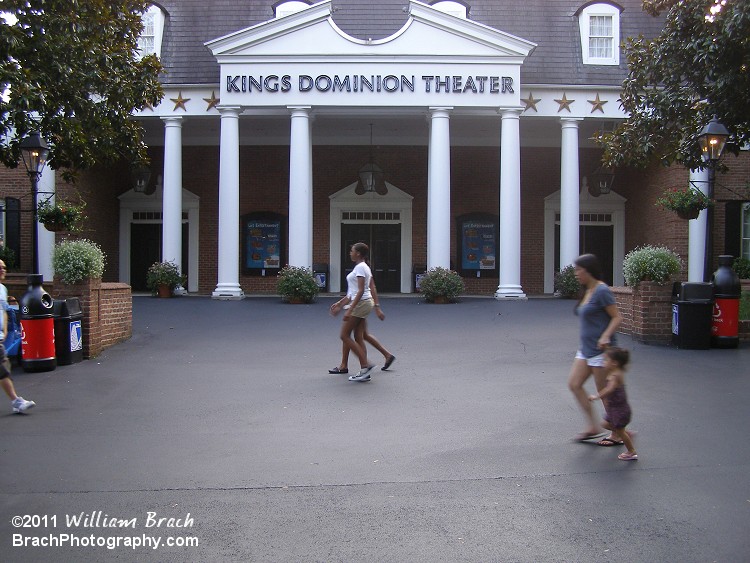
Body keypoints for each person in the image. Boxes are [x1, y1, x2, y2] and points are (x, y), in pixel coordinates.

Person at [568, 253, 621, 443]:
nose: (576, 274)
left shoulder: (601, 290)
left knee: (605, 393)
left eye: (579, 270)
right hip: (586, 349)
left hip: (602, 352)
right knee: (574, 384)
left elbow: (617, 317)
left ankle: (617, 433)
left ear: (588, 270)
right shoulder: (587, 291)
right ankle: (592, 426)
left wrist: (606, 336)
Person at [329, 242, 377, 382]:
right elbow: (352, 292)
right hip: (364, 302)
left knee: (344, 335)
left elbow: (361, 290)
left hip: (361, 303)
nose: (350, 253)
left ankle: (365, 365)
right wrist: (340, 303)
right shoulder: (361, 267)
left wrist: (349, 309)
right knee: (358, 336)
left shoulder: (361, 267)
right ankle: (364, 371)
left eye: (352, 251)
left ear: (358, 254)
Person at [328, 276, 395, 375]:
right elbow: (352, 292)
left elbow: (370, 287)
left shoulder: (362, 269)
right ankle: (386, 356)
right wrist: (340, 303)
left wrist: (377, 307)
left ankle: (362, 366)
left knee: (348, 335)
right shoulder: (359, 270)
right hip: (361, 304)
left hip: (359, 305)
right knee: (362, 335)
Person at [589, 347, 637, 461]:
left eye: (606, 360)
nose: (604, 362)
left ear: (614, 363)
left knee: (619, 430)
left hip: (619, 410)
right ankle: (624, 434)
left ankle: (631, 451)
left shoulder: (615, 376)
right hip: (614, 409)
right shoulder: (614, 372)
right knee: (605, 424)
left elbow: (609, 390)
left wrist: (596, 396)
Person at [0, 260, 36, 413]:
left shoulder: (2, 289)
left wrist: (5, 331)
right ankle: (16, 401)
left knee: (3, 368)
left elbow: (4, 311)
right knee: (3, 368)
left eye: (4, 267)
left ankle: (16, 401)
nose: (2, 270)